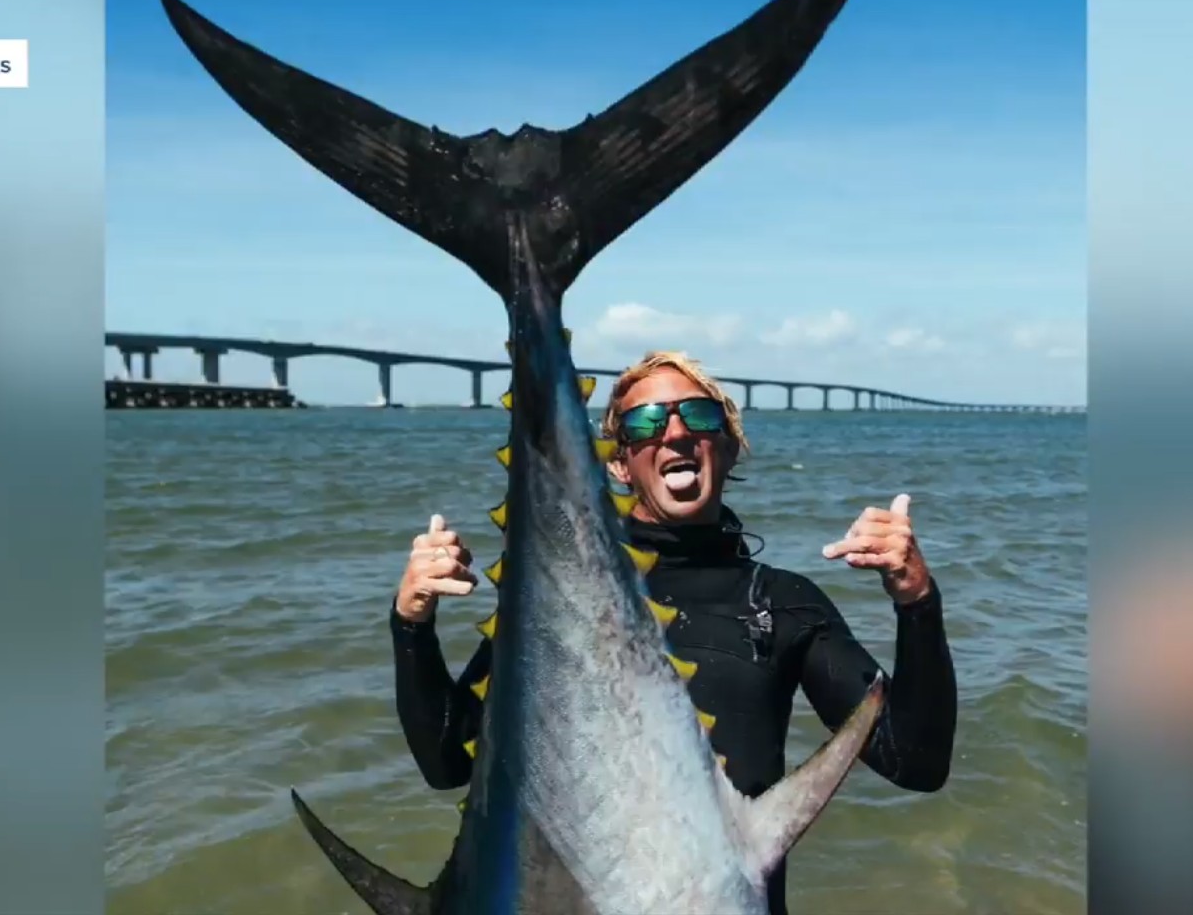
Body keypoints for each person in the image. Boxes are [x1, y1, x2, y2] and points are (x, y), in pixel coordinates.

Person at [388, 350, 958, 914]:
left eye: (700, 416)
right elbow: (447, 765)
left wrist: (917, 600)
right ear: (618, 464)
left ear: (730, 445)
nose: (676, 433)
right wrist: (412, 623)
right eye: (645, 424)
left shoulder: (781, 604)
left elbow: (915, 762)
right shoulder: (568, 617)